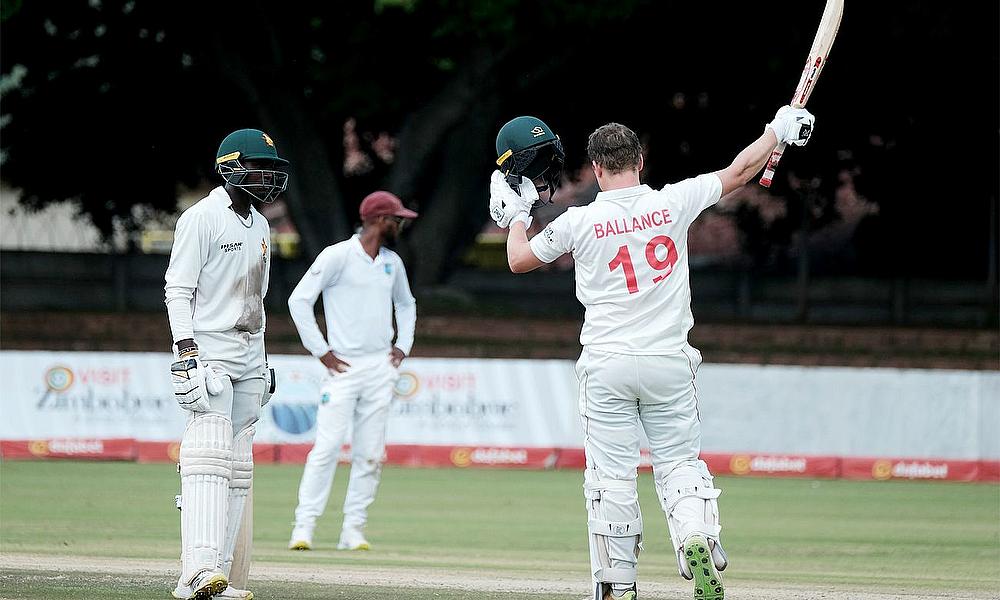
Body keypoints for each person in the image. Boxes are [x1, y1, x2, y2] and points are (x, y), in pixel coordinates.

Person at [489, 108, 814, 600]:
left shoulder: (579, 221)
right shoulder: (673, 202)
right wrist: (778, 130)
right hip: (668, 362)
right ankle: (695, 536)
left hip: (607, 365)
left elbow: (518, 259)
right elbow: (740, 170)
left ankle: (619, 584)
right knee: (680, 463)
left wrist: (517, 216)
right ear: (639, 161)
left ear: (596, 169)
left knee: (612, 478)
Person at [165, 128, 287, 600]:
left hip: (250, 354)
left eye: (273, 169)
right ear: (231, 168)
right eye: (260, 168)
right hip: (210, 351)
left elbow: (258, 300)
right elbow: (178, 289)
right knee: (207, 458)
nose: (268, 178)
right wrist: (186, 352)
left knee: (237, 466)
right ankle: (196, 569)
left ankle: (217, 576)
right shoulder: (201, 218)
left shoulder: (261, 225)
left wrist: (263, 359)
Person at [286, 190, 418, 551]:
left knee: (370, 454)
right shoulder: (338, 256)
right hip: (342, 367)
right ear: (379, 220)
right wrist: (322, 351)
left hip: (380, 366)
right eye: (396, 219)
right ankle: (304, 527)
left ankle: (353, 530)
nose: (400, 225)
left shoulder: (392, 262)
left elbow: (406, 305)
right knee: (327, 448)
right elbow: (299, 300)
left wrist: (403, 345)